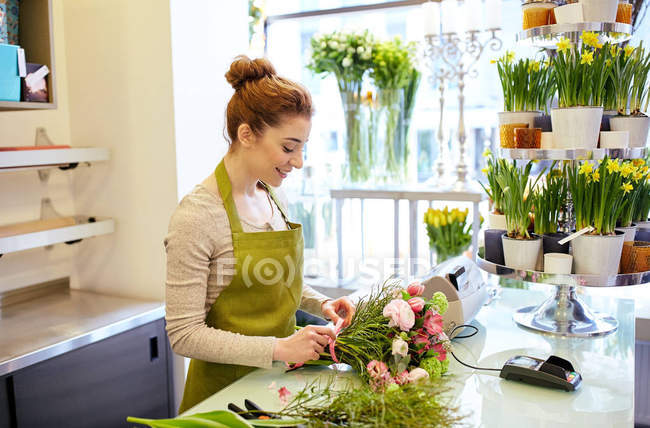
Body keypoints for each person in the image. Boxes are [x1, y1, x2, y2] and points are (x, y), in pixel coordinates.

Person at [164, 55, 356, 413]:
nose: (298, 161)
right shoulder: (198, 216)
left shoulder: (271, 194)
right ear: (246, 134)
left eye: (302, 147)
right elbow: (184, 334)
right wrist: (280, 348)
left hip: (278, 388)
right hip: (224, 403)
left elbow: (272, 280)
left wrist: (320, 303)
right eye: (288, 147)